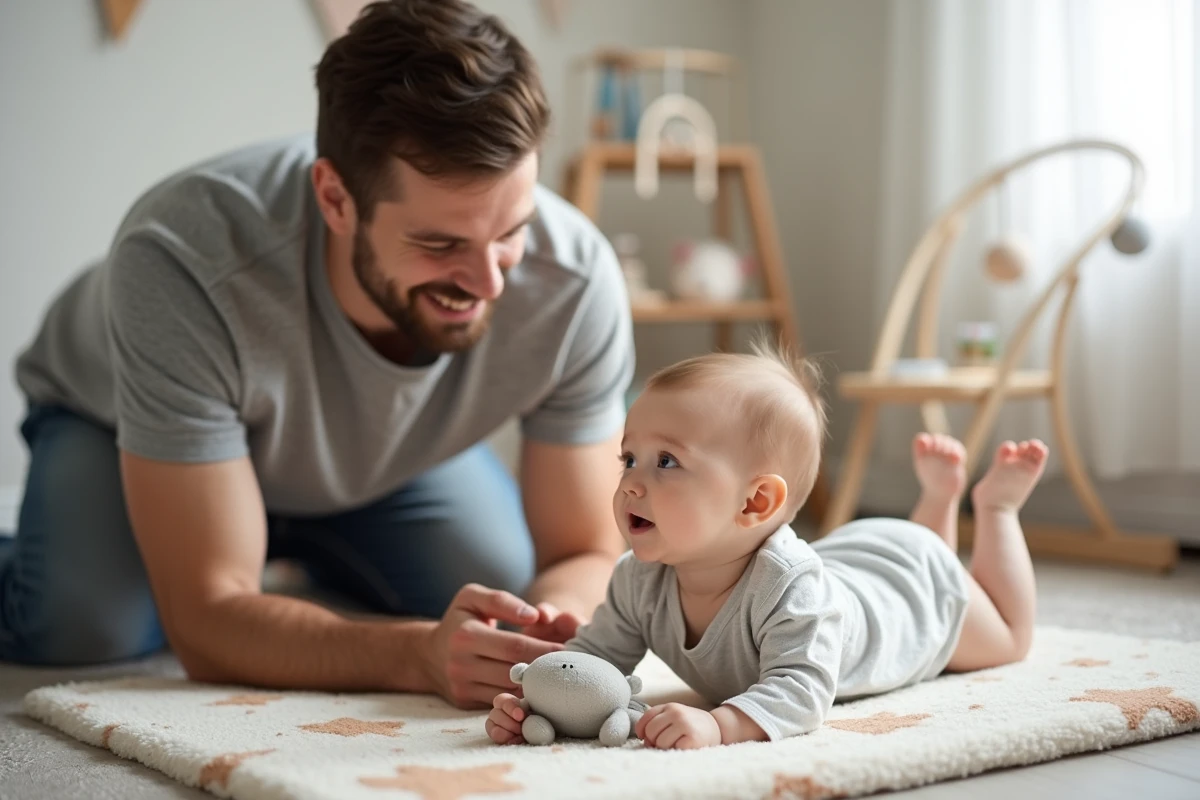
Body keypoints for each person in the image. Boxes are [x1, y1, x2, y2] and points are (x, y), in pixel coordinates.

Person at [0, 0, 635, 710]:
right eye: (440, 244)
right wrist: (416, 657)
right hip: (112, 420)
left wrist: (552, 636)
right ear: (335, 198)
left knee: (497, 583)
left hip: (380, 456)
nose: (489, 282)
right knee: (89, 624)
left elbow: (582, 551)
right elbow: (207, 623)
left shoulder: (575, 280)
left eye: (512, 229)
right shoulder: (180, 255)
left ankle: (288, 547)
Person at [486, 342, 1047, 748]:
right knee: (928, 545)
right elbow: (595, 662)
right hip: (855, 554)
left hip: (910, 590)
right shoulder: (639, 577)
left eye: (667, 462)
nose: (632, 481)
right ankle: (936, 503)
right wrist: (542, 699)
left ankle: (994, 507)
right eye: (629, 457)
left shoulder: (790, 587)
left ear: (754, 504)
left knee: (1009, 639)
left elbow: (802, 689)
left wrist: (721, 724)